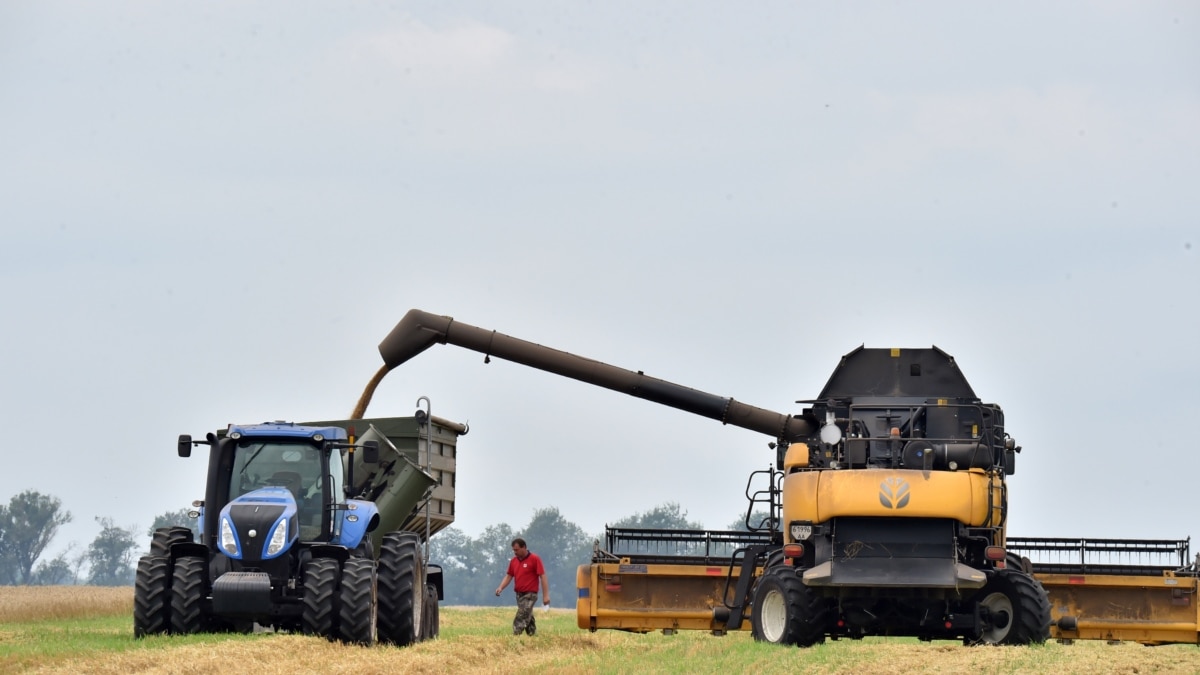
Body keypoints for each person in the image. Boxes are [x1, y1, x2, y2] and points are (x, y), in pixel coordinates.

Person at [494, 537, 549, 636]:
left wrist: (546, 596)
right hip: (519, 594)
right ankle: (532, 635)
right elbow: (509, 575)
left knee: (522, 615)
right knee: (527, 615)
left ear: (524, 547)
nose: (515, 552)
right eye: (513, 550)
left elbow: (543, 577)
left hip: (530, 594)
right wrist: (500, 587)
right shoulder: (513, 561)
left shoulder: (534, 559)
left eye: (517, 550)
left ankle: (516, 635)